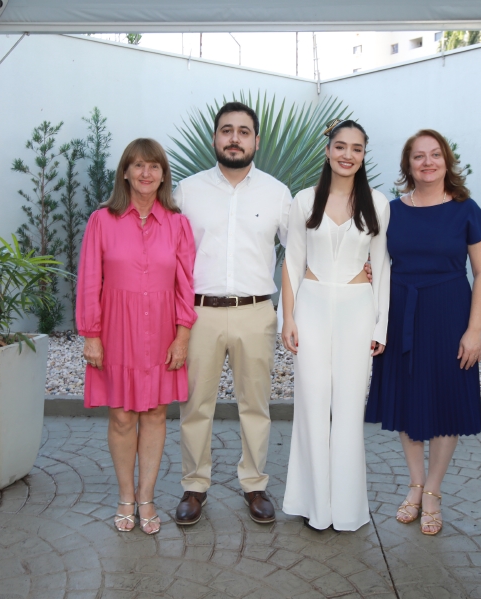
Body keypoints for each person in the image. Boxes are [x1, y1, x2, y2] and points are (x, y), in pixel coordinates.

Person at [365, 129, 481, 536]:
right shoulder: (391, 211)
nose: (427, 162)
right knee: (407, 401)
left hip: (449, 314)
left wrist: (474, 330)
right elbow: (377, 261)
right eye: (418, 156)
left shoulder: (466, 210)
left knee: (446, 402)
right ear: (408, 165)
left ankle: (434, 490)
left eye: (434, 155)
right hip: (403, 312)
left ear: (446, 161)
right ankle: (415, 485)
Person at [172, 102, 292, 525]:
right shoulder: (186, 191)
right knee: (195, 405)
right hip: (199, 313)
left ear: (256, 140)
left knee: (255, 405)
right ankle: (194, 485)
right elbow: (169, 255)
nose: (234, 138)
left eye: (244, 131)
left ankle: (255, 484)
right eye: (227, 130)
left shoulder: (277, 193)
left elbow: (297, 254)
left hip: (255, 312)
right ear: (215, 139)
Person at [76, 138, 197, 535]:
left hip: (162, 331)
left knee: (157, 413)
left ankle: (147, 498)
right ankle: (125, 496)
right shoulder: (101, 221)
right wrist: (90, 334)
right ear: (125, 172)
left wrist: (182, 336)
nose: (146, 173)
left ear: (163, 175)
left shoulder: (177, 223)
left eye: (154, 166)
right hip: (116, 331)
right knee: (123, 415)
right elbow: (90, 280)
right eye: (138, 165)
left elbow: (185, 283)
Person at [281, 120, 390, 531]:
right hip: (309, 305)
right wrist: (287, 318)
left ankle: (345, 510)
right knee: (311, 403)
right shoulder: (304, 200)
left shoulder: (378, 204)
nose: (348, 155)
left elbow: (381, 266)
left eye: (357, 149)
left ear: (364, 156)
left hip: (358, 310)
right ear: (328, 151)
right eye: (340, 146)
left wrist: (380, 326)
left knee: (347, 408)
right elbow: (291, 262)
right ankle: (314, 506)